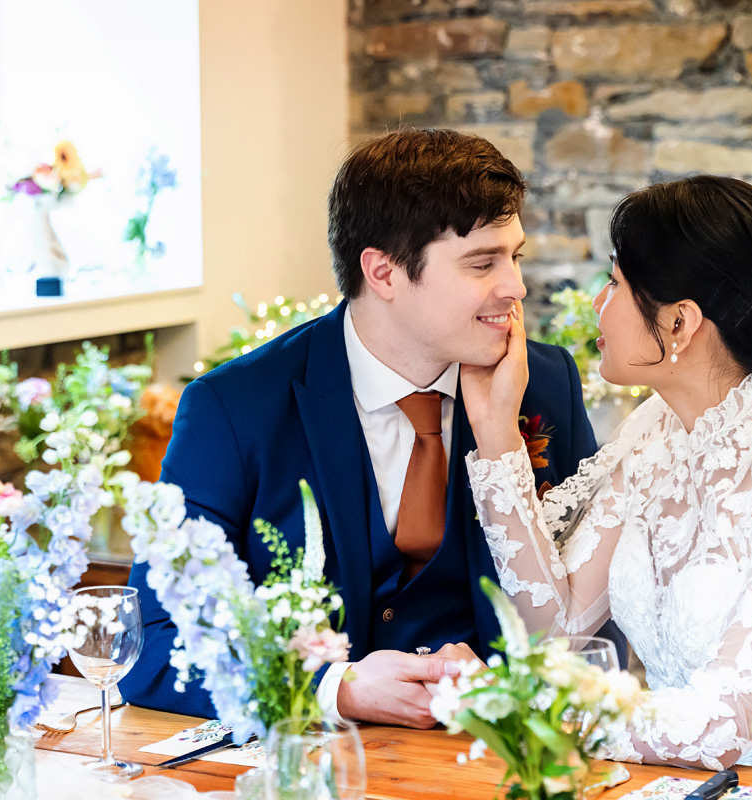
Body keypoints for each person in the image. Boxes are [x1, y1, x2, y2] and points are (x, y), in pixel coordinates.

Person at [120, 129, 622, 728]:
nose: (515, 286)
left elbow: (594, 628)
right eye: (482, 263)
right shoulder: (234, 409)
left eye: (515, 256)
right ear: (383, 273)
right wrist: (334, 690)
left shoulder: (544, 384)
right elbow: (150, 642)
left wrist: (514, 691)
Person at [459, 175, 752, 768]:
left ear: (680, 322)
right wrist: (496, 437)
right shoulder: (656, 434)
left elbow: (725, 724)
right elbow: (558, 632)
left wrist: (531, 710)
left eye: (615, 284)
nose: (597, 303)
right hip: (668, 780)